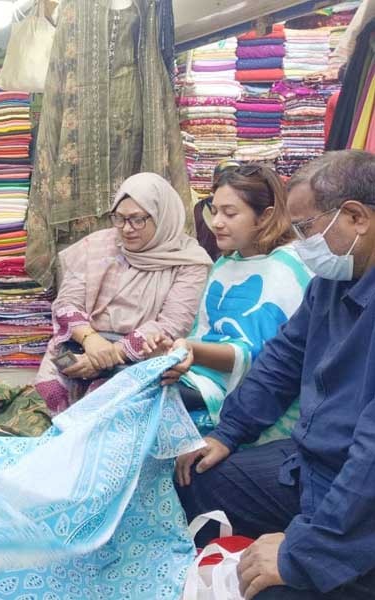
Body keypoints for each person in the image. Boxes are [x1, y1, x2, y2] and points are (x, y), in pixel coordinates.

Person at [173, 150, 375, 600]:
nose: (301, 242)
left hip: (360, 497)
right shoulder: (331, 282)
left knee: (265, 590)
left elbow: (370, 461)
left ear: (356, 217)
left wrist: (302, 553)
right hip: (312, 466)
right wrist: (228, 433)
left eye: (307, 228)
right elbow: (283, 359)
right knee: (197, 478)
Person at [34, 172, 212, 414]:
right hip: (78, 345)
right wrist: (91, 340)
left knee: (105, 405)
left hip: (141, 357)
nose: (127, 229)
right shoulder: (96, 246)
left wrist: (111, 355)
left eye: (138, 219)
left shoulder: (189, 261)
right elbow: (66, 304)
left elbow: (171, 325)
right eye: (119, 218)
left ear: (162, 217)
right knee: (52, 389)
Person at [166, 164, 312, 442]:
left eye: (230, 213)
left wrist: (190, 349)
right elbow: (205, 331)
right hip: (201, 375)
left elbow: (265, 359)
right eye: (215, 210)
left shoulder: (286, 268)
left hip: (251, 396)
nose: (217, 222)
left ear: (265, 217)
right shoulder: (225, 262)